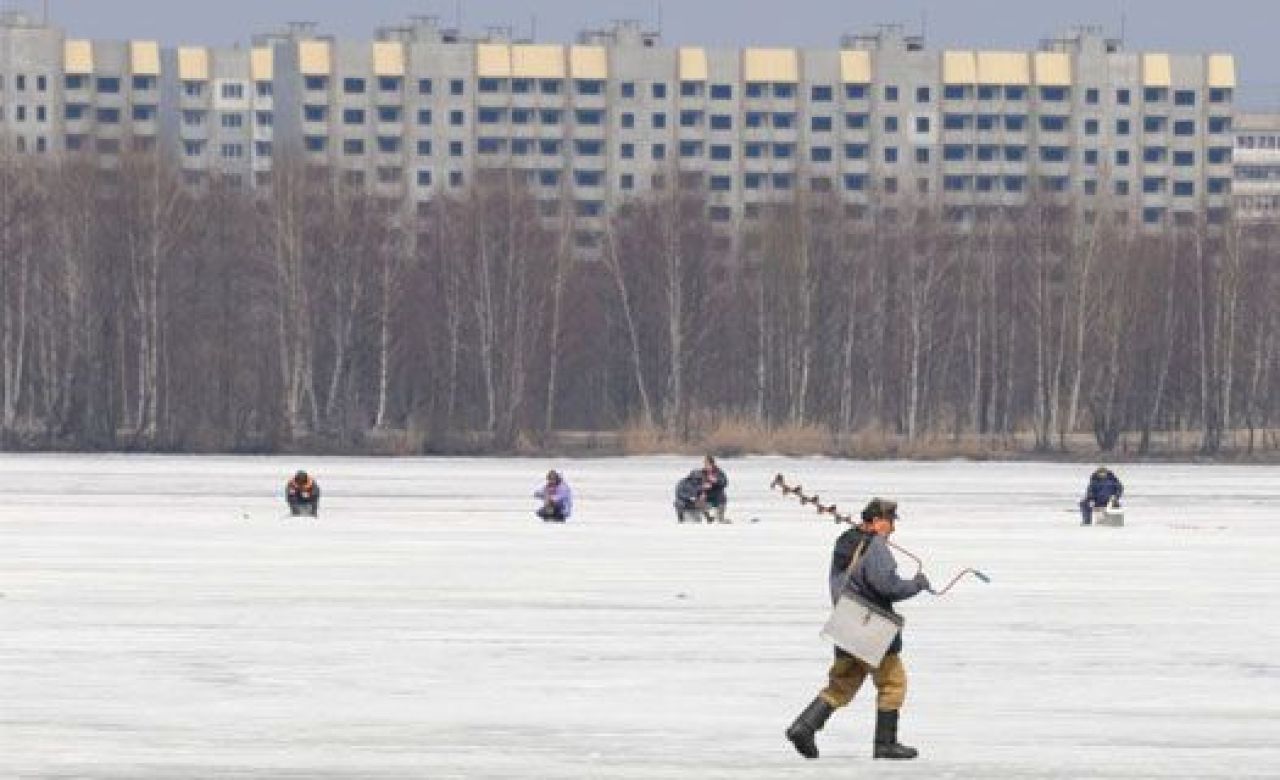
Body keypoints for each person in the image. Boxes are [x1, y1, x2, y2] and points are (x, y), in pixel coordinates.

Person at [785, 498, 930, 762]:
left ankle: (803, 728)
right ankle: (885, 744)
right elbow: (889, 587)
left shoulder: (846, 542)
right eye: (891, 521)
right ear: (876, 521)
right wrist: (917, 585)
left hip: (845, 623)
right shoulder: (875, 547)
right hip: (871, 627)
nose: (893, 529)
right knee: (893, 682)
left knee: (842, 684)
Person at [699, 455, 729, 523]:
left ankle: (726, 522)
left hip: (719, 499)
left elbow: (725, 482)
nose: (705, 465)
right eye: (705, 464)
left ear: (712, 464)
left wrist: (716, 480)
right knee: (699, 503)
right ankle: (709, 518)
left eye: (707, 464)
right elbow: (696, 484)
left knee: (720, 520)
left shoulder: (718, 472)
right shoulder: (702, 473)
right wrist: (702, 488)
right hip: (708, 498)